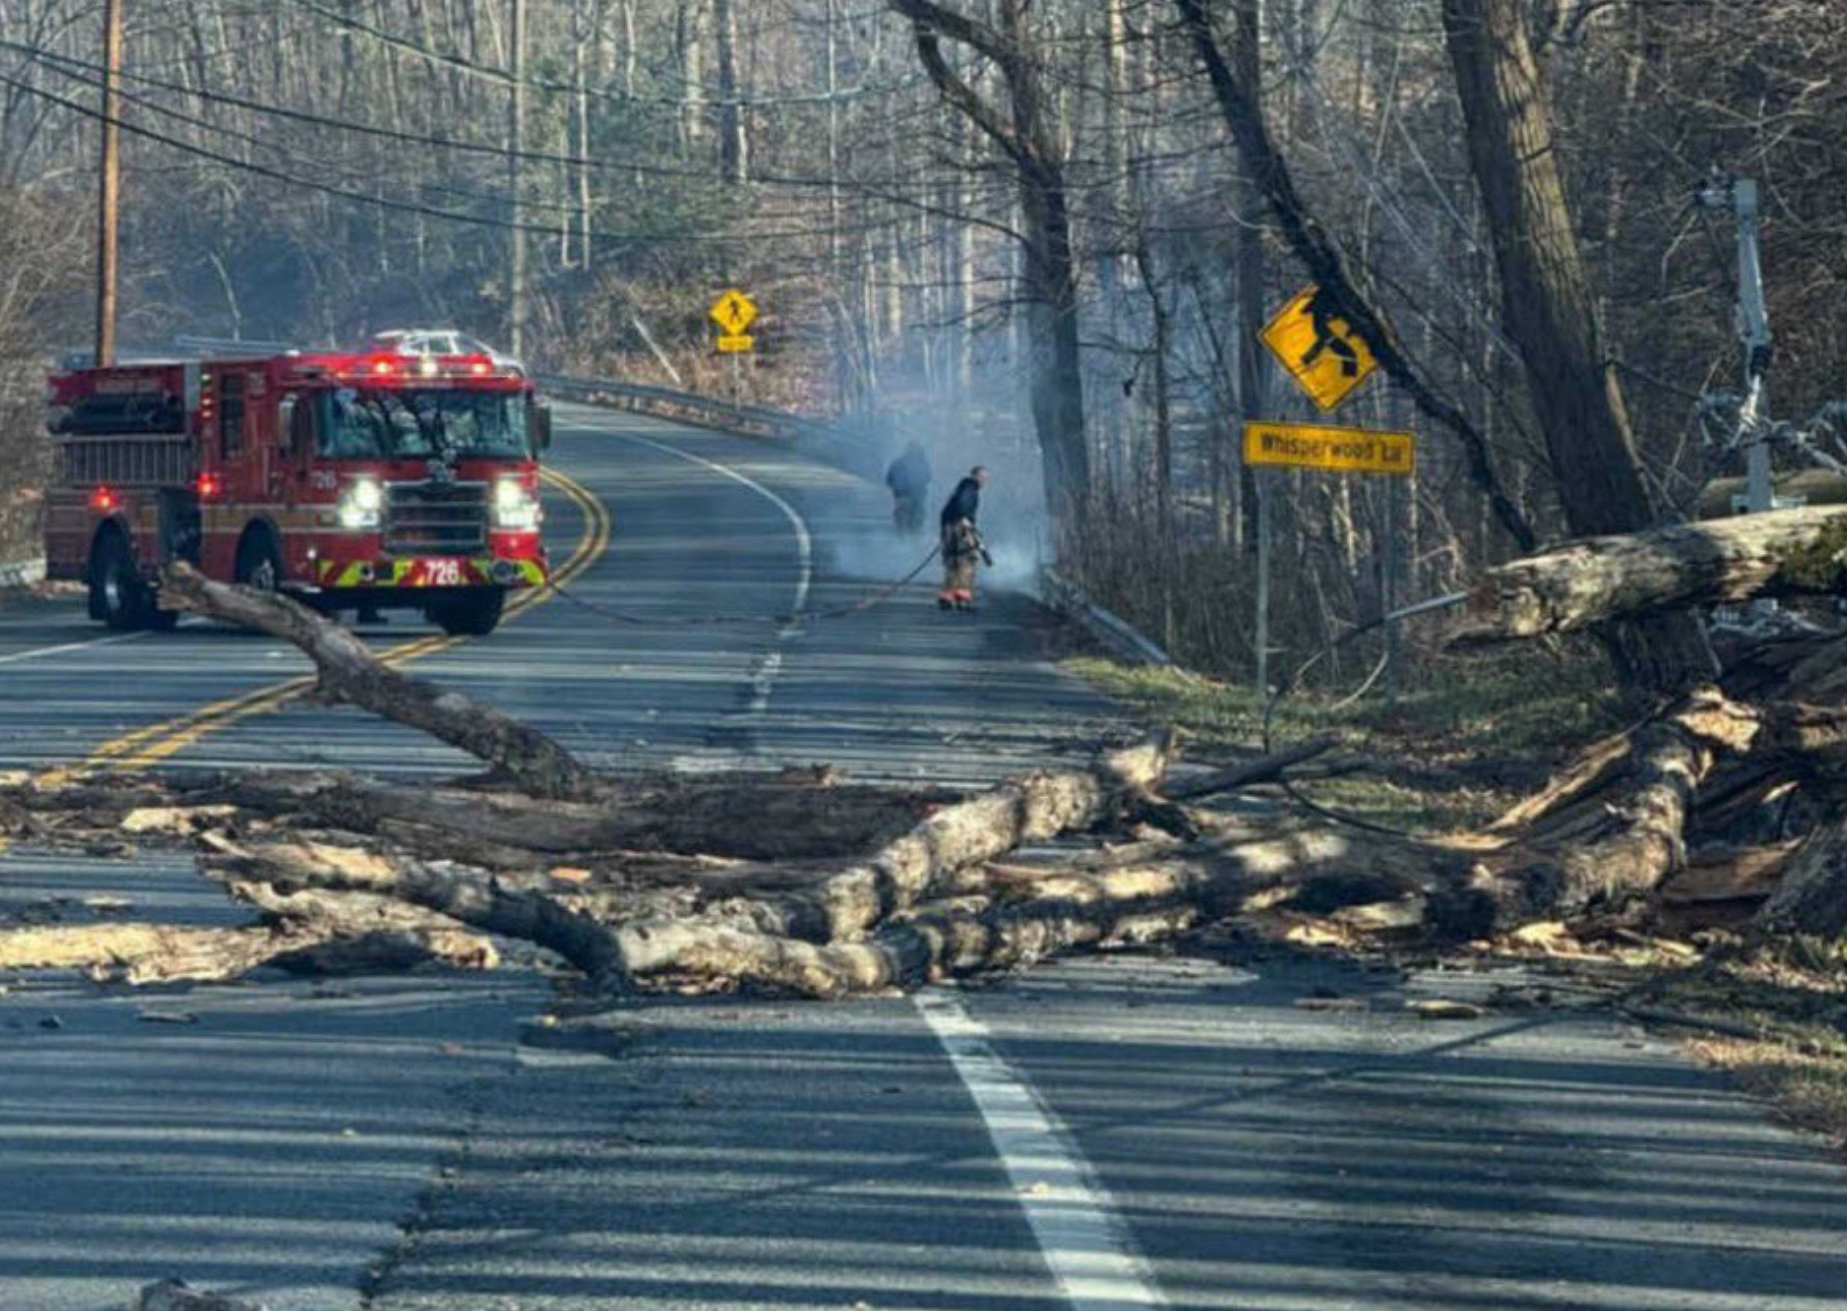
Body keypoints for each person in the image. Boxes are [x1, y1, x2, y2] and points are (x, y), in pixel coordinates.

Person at [937, 465, 991, 611]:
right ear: (975, 476)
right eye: (983, 477)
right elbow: (963, 506)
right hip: (960, 529)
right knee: (967, 561)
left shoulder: (961, 488)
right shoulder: (969, 489)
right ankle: (963, 598)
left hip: (949, 527)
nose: (984, 481)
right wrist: (965, 520)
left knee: (952, 562)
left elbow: (946, 511)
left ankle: (947, 597)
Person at [884, 441, 932, 535]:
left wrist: (897, 488)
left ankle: (902, 543)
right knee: (915, 524)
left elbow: (889, 480)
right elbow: (928, 478)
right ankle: (912, 544)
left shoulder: (898, 462)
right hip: (917, 498)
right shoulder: (922, 463)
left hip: (902, 496)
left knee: (902, 523)